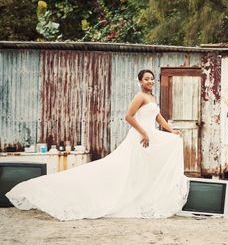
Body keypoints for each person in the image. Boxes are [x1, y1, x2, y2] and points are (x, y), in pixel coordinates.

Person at [6, 69, 189, 221]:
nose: (150, 81)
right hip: (139, 137)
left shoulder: (152, 97)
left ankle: (144, 199)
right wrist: (143, 132)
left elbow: (158, 117)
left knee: (156, 157)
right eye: (146, 79)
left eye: (152, 79)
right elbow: (128, 117)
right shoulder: (139, 96)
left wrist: (171, 131)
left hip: (151, 135)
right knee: (120, 168)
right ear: (140, 81)